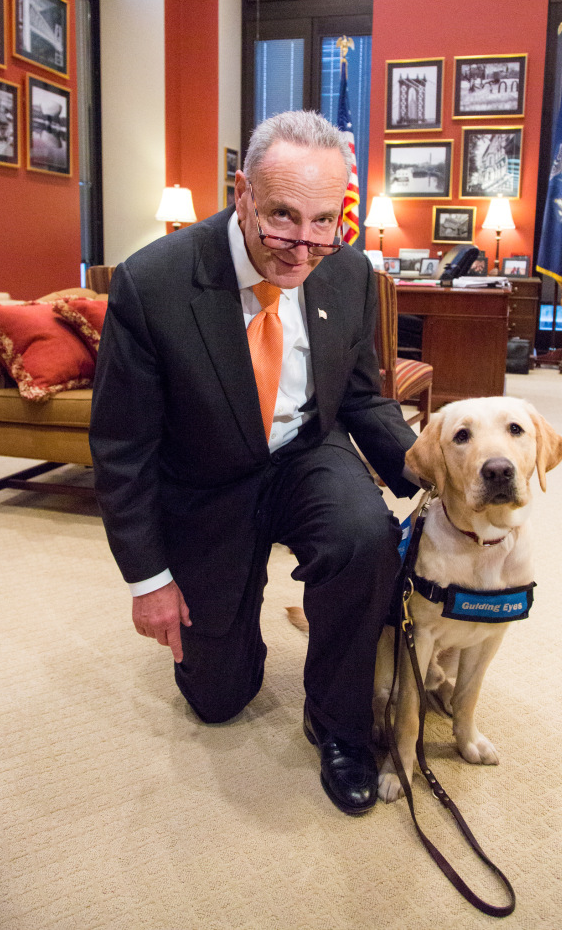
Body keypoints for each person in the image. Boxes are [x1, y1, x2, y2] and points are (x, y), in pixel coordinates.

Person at [89, 110, 419, 816]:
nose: (303, 247)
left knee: (364, 536)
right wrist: (149, 579)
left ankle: (340, 726)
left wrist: (428, 469)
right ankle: (231, 643)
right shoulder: (153, 284)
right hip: (205, 478)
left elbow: (360, 397)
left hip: (304, 451)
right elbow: (122, 449)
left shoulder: (350, 273)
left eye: (325, 221)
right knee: (217, 700)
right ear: (242, 192)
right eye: (282, 217)